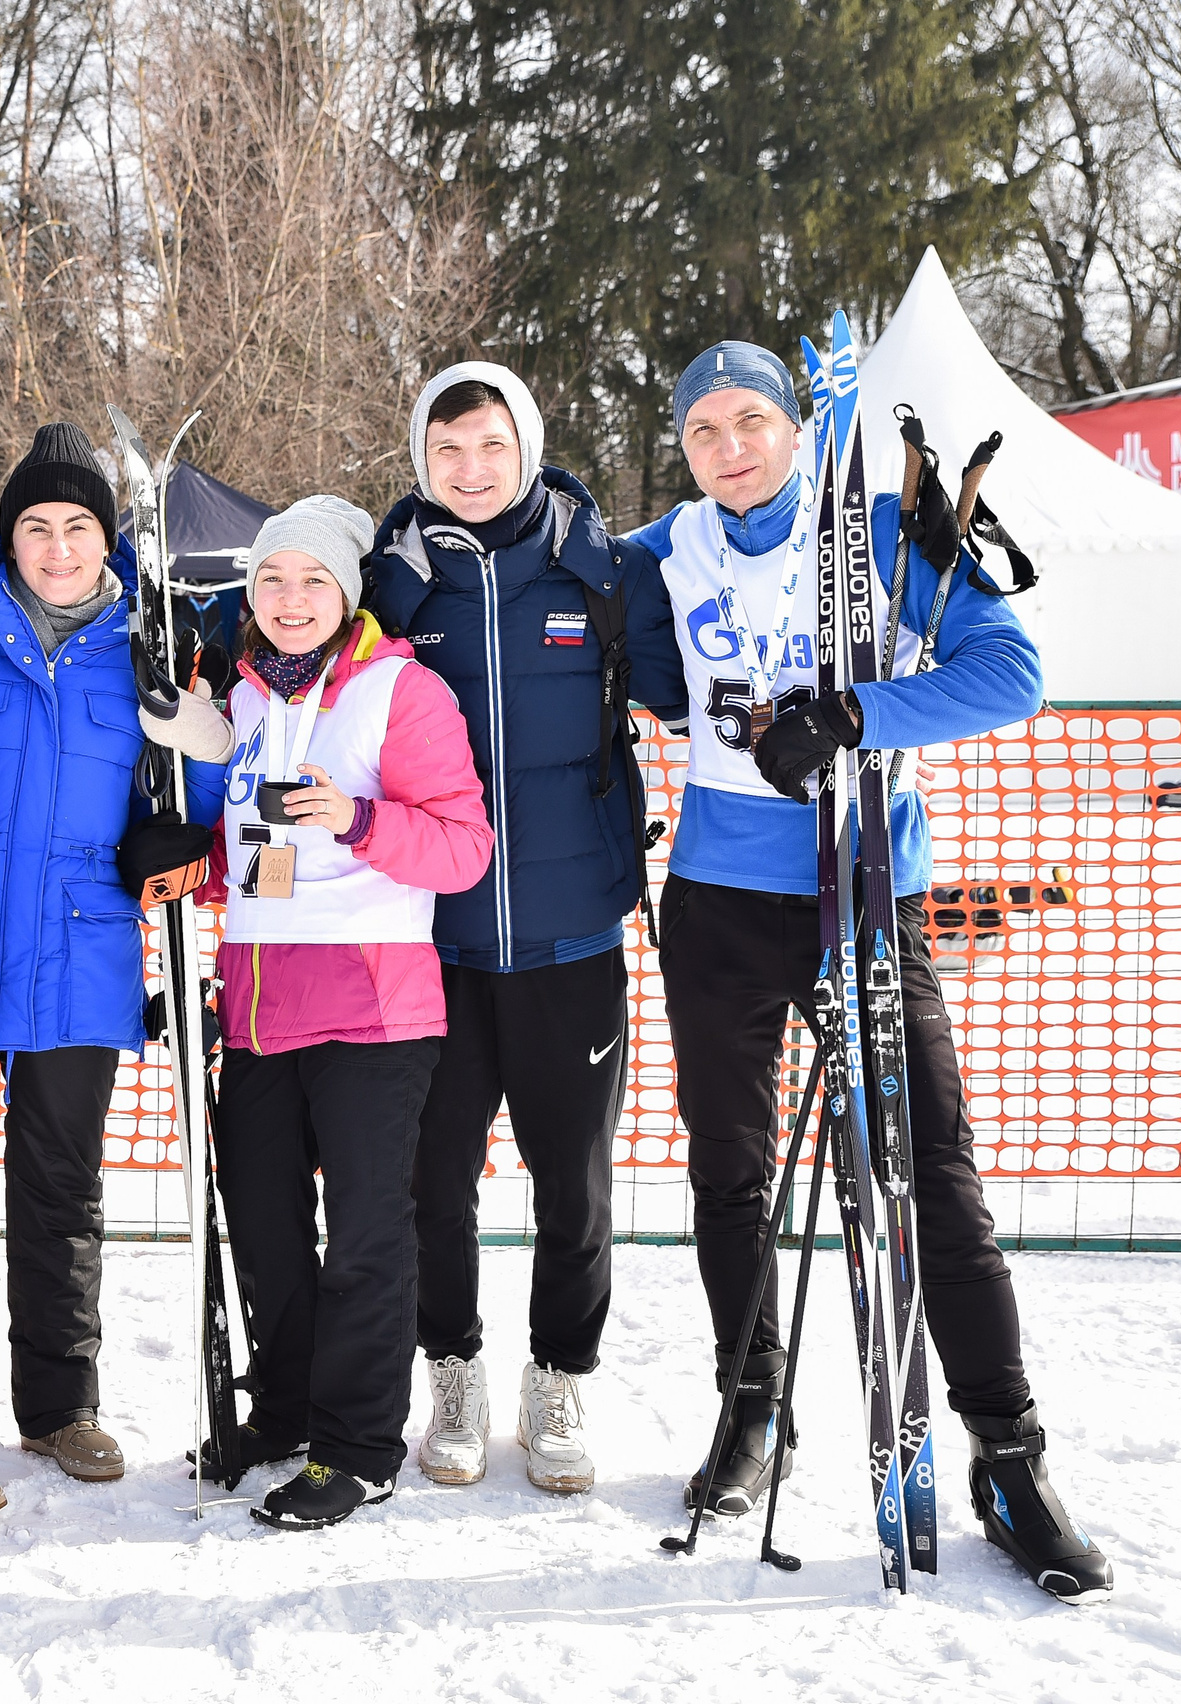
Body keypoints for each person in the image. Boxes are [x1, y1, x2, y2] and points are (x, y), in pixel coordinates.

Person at [624, 339, 1111, 1599]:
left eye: (751, 422)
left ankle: (1008, 1459)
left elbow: (1011, 674)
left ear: (795, 427)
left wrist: (853, 717)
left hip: (860, 895)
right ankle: (750, 1411)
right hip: (720, 903)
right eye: (702, 432)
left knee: (930, 1177)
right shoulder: (662, 552)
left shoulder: (880, 528)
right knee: (727, 1170)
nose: (729, 450)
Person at [363, 363, 687, 1495]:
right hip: (428, 946)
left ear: (527, 446)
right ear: (421, 460)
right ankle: (451, 1374)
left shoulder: (604, 571)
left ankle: (559, 1379)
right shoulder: (390, 584)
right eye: (447, 450)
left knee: (574, 1182)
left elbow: (695, 684)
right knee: (429, 1181)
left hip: (571, 939)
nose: (469, 469)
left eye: (490, 446)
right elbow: (278, 625)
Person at [0, 422, 203, 1521]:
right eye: (35, 526)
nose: (57, 547)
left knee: (64, 1192)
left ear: (106, 537)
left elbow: (200, 791)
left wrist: (178, 836)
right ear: (5, 535)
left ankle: (60, 1404)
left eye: (78, 526)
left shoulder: (147, 645)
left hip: (82, 949)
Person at [144, 495, 493, 1529]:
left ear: (346, 593)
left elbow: (460, 848)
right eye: (270, 581)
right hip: (255, 1002)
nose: (290, 601)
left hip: (372, 1006)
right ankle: (287, 1410)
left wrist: (360, 816)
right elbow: (254, 860)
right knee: (263, 1228)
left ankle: (356, 1446)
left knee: (365, 1238)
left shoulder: (401, 692)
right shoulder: (246, 701)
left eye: (311, 581)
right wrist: (188, 867)